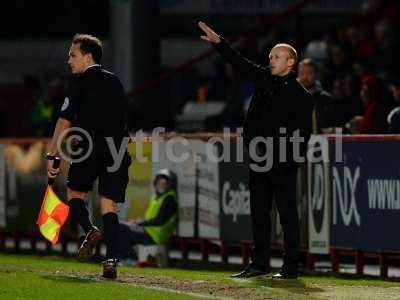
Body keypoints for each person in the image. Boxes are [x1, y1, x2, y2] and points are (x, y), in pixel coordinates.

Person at [198, 22, 313, 279]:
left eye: (277, 56)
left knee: (287, 215)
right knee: (258, 214)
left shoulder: (301, 96)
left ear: (290, 62)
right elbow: (239, 62)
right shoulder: (264, 78)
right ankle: (259, 263)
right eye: (270, 55)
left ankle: (291, 266)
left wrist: (286, 160)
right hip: (260, 158)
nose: (270, 59)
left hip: (282, 161)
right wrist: (220, 43)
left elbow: (303, 136)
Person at [46, 34, 131, 279]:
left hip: (88, 149)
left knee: (75, 194)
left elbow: (64, 120)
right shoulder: (115, 82)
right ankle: (112, 261)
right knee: (108, 204)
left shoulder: (78, 82)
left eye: (73, 55)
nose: (69, 60)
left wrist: (53, 155)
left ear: (87, 56)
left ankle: (90, 229)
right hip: (116, 150)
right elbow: (120, 118)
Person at [118, 169, 178, 265]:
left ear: (169, 185)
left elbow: (160, 220)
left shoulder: (169, 198)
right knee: (120, 228)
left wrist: (139, 223)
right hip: (149, 231)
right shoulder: (158, 197)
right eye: (159, 183)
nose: (161, 185)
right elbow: (152, 217)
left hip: (155, 235)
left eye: (164, 183)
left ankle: (131, 259)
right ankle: (126, 258)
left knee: (120, 229)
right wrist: (138, 222)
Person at [297, 58, 336, 133]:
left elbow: (331, 125)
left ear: (316, 75)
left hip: (319, 142)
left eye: (309, 73)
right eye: (302, 73)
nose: (305, 77)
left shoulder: (326, 99)